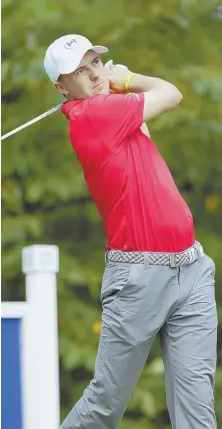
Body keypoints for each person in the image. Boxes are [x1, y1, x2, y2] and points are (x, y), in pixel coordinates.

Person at [44, 34, 218, 429]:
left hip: (192, 268)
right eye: (79, 71)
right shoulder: (93, 115)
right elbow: (171, 93)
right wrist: (127, 77)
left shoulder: (114, 113)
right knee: (105, 405)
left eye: (95, 63)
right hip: (139, 277)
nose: (93, 74)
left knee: (197, 411)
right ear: (61, 87)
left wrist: (117, 85)